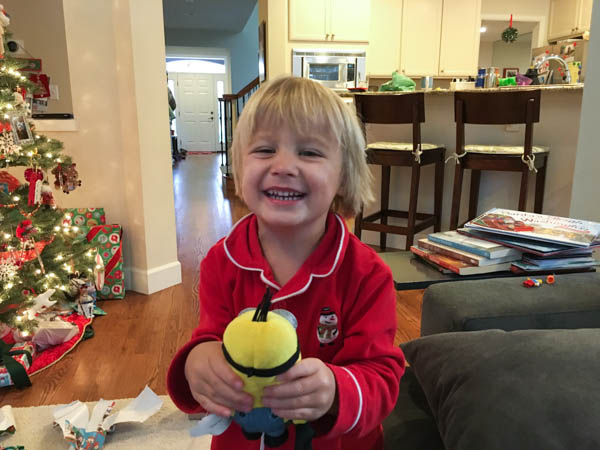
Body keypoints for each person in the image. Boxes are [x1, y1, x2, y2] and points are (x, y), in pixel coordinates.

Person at [167, 76, 405, 450]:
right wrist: (198, 362)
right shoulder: (221, 262)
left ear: (344, 175)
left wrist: (335, 390)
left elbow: (381, 377)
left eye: (309, 152)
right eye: (264, 150)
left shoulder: (368, 275)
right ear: (239, 167)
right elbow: (210, 336)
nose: (283, 166)